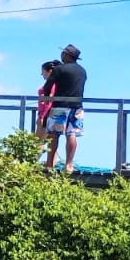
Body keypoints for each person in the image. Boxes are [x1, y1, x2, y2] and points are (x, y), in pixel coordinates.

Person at [41, 44, 87, 173]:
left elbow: (47, 86)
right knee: (71, 134)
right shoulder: (82, 71)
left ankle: (50, 164)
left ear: (67, 55)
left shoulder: (60, 69)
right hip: (77, 107)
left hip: (60, 106)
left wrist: (46, 98)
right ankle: (69, 165)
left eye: (63, 53)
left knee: (53, 135)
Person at [36, 60, 59, 135]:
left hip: (46, 114)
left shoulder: (51, 85)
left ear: (49, 71)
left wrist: (42, 117)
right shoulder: (54, 84)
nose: (42, 74)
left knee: (38, 140)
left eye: (43, 71)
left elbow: (49, 102)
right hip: (47, 114)